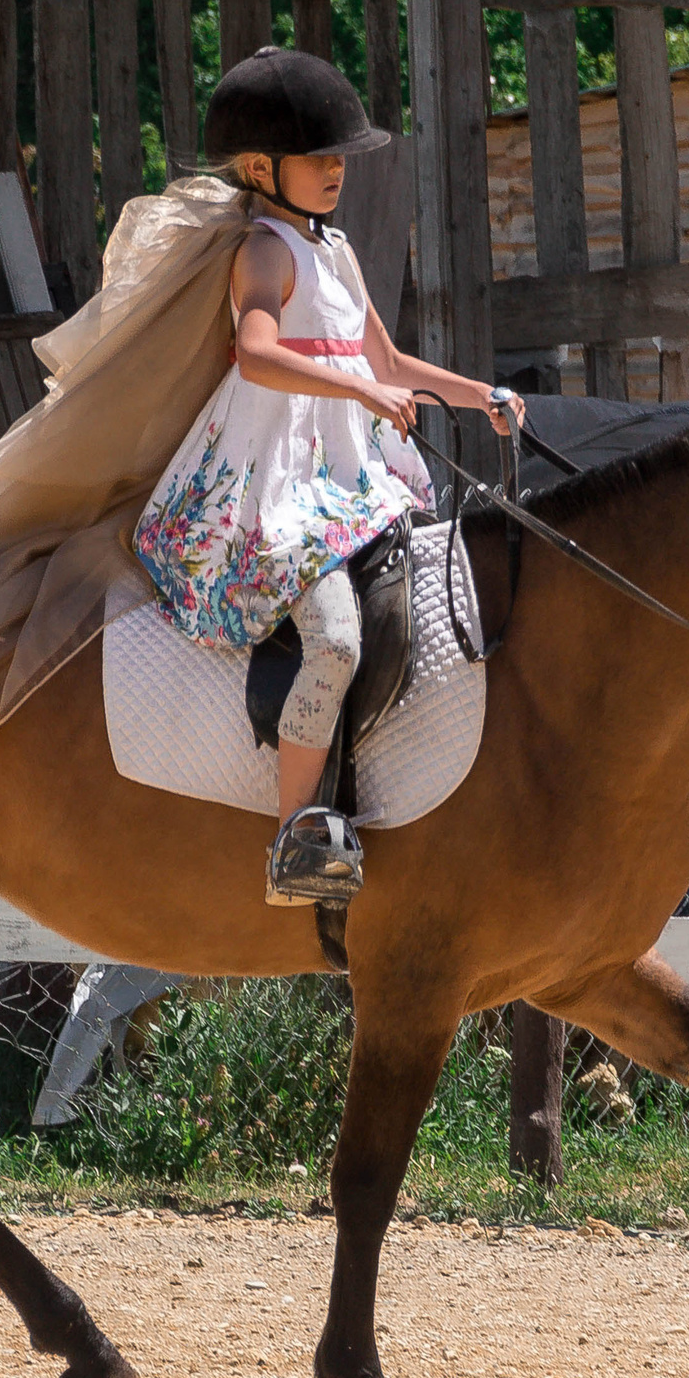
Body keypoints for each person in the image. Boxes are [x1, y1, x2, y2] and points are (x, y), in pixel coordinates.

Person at [135, 46, 519, 907]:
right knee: (339, 638)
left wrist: (475, 393)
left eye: (342, 154)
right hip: (279, 484)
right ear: (263, 168)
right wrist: (363, 389)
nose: (339, 168)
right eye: (322, 155)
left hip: (352, 472)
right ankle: (294, 842)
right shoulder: (265, 253)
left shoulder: (335, 250)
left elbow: (384, 357)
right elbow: (262, 354)